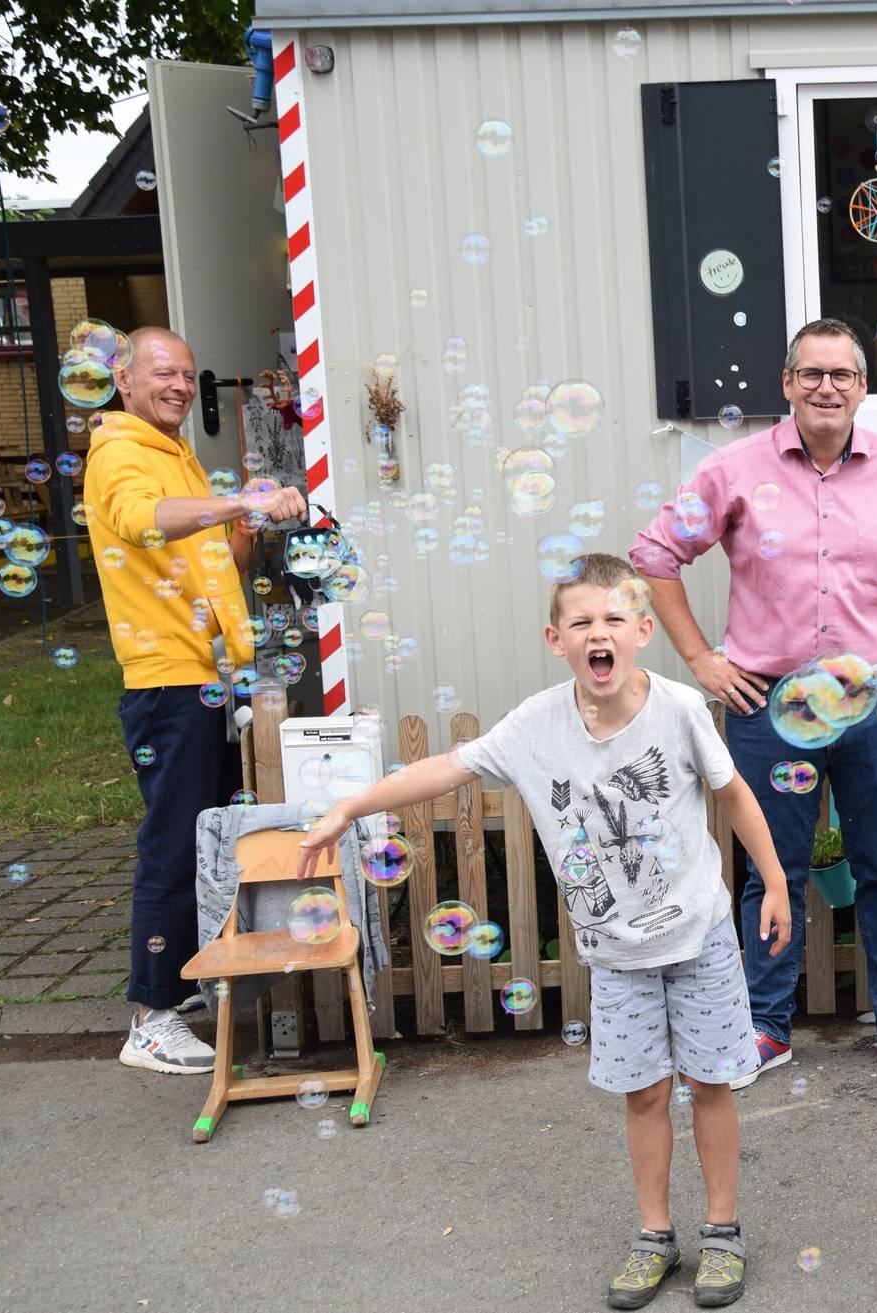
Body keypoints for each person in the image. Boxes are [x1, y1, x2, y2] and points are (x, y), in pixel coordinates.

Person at [299, 555, 792, 1310]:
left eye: (613, 619)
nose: (599, 633)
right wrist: (350, 807)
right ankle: (654, 1236)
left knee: (711, 1083)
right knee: (643, 1094)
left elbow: (734, 795)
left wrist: (776, 879)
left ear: (642, 630)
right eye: (582, 622)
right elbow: (443, 768)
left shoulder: (682, 708)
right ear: (555, 637)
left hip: (700, 937)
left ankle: (722, 1233)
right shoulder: (534, 726)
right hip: (617, 955)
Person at [632, 318, 877, 1086]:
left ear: (863, 387)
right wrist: (702, 658)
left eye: (843, 375)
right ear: (787, 383)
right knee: (772, 868)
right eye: (812, 373)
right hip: (767, 704)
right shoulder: (731, 470)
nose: (827, 386)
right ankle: (763, 1025)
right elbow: (655, 554)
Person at [86, 326, 307, 1075]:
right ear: (124, 380)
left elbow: (213, 560)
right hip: (168, 681)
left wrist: (243, 524)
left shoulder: (173, 453)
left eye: (186, 373)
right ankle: (148, 1019)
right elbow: (140, 522)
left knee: (208, 835)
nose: (181, 385)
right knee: (174, 842)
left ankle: (178, 986)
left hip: (209, 674)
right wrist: (231, 500)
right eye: (163, 373)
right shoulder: (119, 450)